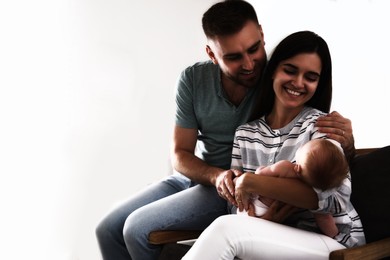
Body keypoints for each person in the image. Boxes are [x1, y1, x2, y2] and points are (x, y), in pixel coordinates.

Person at [95, 1, 355, 259]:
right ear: (211, 54)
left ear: (262, 36)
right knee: (108, 229)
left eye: (254, 50)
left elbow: (326, 180)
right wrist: (223, 181)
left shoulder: (280, 84)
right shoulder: (212, 96)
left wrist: (347, 143)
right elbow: (180, 153)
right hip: (209, 178)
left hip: (233, 189)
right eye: (233, 57)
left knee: (137, 228)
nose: (250, 65)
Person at [182, 30, 365, 260]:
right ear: (273, 71)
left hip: (334, 242)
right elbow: (236, 205)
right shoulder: (245, 134)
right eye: (290, 70)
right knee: (227, 228)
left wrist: (252, 182)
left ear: (319, 83)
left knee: (225, 231)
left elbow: (334, 200)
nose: (298, 83)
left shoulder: (323, 127)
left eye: (310, 77)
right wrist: (263, 222)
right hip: (273, 235)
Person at [237, 138, 349, 238]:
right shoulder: (313, 191)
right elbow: (324, 219)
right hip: (271, 216)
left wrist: (258, 170)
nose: (301, 146)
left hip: (255, 206)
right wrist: (335, 235)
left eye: (304, 147)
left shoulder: (285, 167)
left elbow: (259, 175)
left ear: (298, 168)